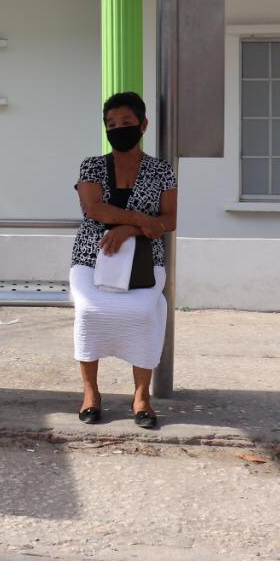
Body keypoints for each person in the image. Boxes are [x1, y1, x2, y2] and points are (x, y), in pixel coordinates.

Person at [70, 92, 178, 429]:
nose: (118, 129)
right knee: (89, 312)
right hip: (91, 255)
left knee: (144, 312)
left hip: (145, 260)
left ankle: (141, 396)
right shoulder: (91, 165)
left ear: (143, 124)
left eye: (127, 123)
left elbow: (170, 219)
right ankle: (91, 393)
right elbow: (94, 209)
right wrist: (143, 221)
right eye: (111, 124)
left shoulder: (162, 170)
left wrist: (130, 229)